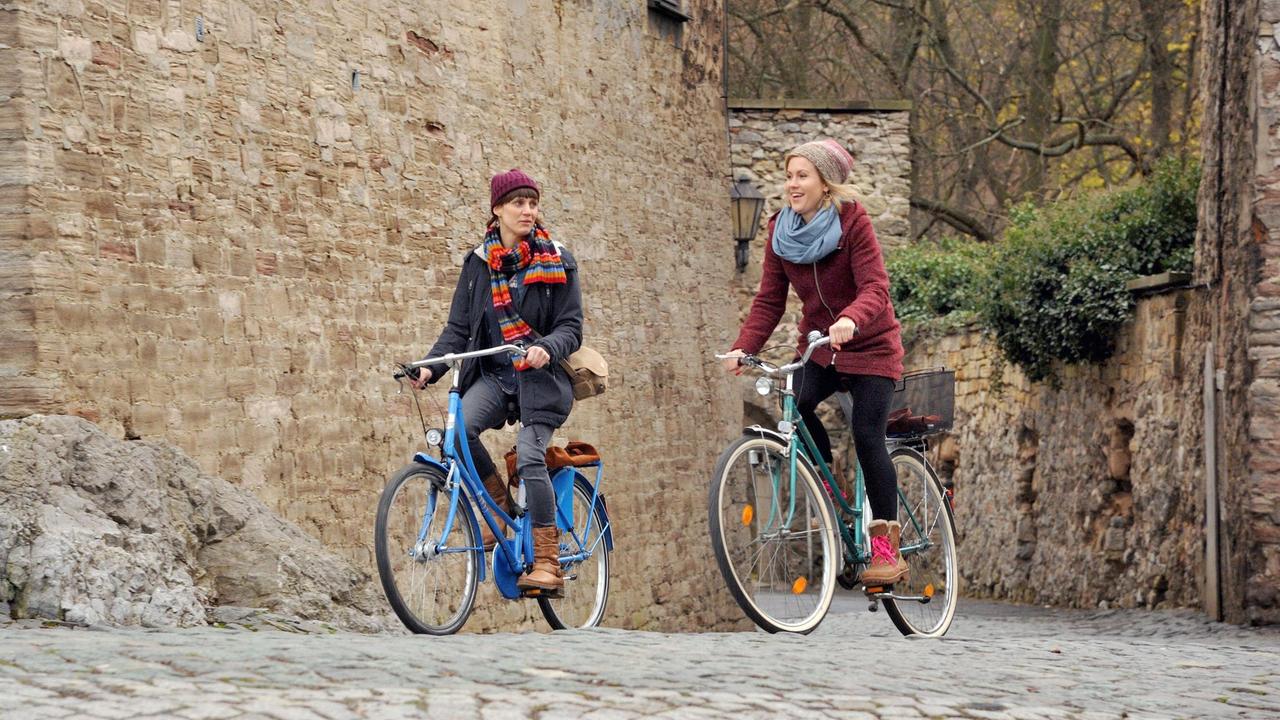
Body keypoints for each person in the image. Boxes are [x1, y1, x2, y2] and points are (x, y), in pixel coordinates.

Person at [721, 140, 908, 586]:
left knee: (867, 436)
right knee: (795, 401)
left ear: (826, 184)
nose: (792, 184)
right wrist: (743, 347)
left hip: (871, 346)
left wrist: (850, 318)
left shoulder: (853, 222)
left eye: (802, 175)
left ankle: (886, 552)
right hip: (820, 348)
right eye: (789, 175)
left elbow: (876, 289)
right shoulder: (779, 232)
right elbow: (769, 301)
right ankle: (830, 492)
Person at [413, 168, 582, 596]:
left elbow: (571, 327)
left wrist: (548, 347)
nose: (527, 210)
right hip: (495, 376)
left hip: (540, 380)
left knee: (529, 458)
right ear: (497, 210)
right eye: (517, 203)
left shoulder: (557, 258)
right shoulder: (478, 263)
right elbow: (458, 329)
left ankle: (548, 559)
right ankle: (497, 507)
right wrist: (430, 366)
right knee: (457, 432)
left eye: (532, 203)